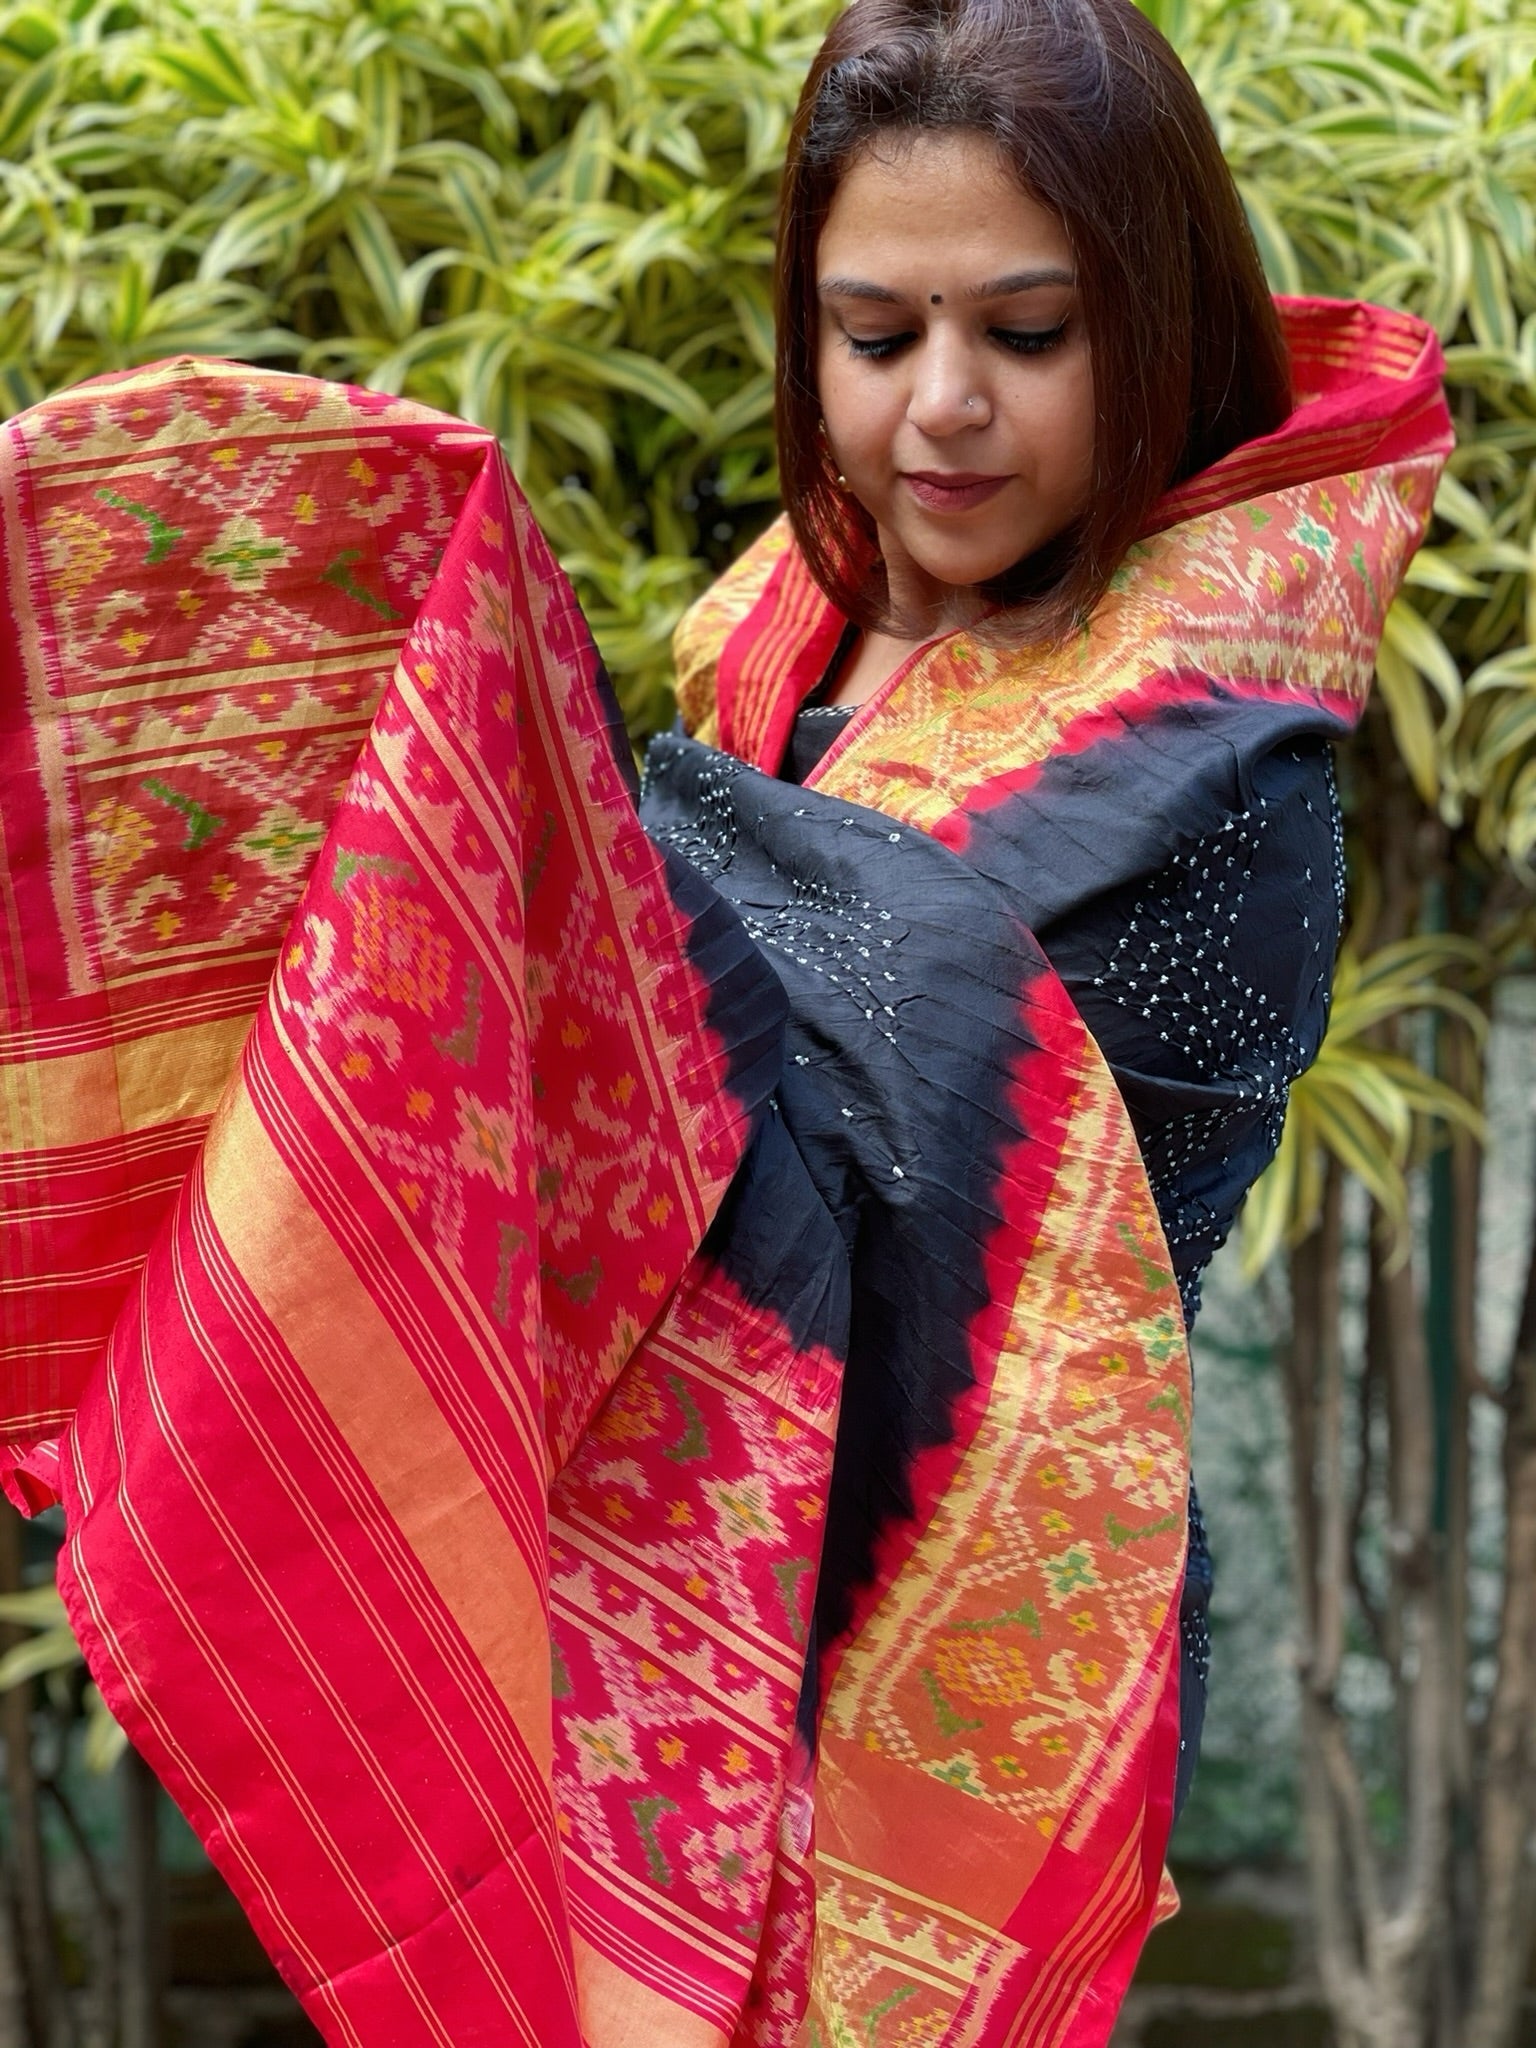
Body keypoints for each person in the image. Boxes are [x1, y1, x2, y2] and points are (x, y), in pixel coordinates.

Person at [0, 1, 1449, 2044]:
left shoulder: (1211, 777)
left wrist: (523, 830)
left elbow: (858, 1108)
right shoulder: (809, 616)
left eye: (1024, 335)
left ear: (1156, 319)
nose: (940, 408)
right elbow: (703, 1028)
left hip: (954, 1587)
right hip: (667, 1570)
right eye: (876, 336)